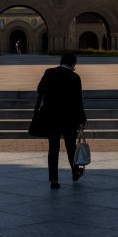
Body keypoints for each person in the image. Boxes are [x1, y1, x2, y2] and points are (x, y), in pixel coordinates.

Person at [36, 52, 87, 189]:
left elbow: (39, 89)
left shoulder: (49, 72)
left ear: (61, 61)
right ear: (73, 64)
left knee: (53, 148)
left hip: (51, 118)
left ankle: (53, 180)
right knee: (71, 148)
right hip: (69, 120)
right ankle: (75, 172)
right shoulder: (75, 77)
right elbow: (78, 101)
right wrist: (82, 120)